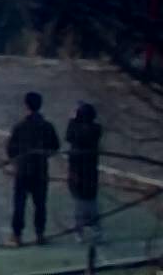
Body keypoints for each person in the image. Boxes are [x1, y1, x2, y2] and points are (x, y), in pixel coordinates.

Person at [6, 91, 60, 246]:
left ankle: (17, 236)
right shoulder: (47, 127)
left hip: (23, 171)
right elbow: (55, 146)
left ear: (26, 105)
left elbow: (10, 149)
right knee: (40, 204)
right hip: (40, 170)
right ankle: (40, 234)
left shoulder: (20, 127)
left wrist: (16, 162)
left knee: (19, 204)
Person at [65, 101, 103, 243]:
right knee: (91, 201)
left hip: (78, 170)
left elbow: (69, 136)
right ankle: (95, 228)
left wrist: (72, 119)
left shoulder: (77, 130)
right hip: (91, 171)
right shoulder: (97, 129)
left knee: (79, 202)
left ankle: (80, 230)